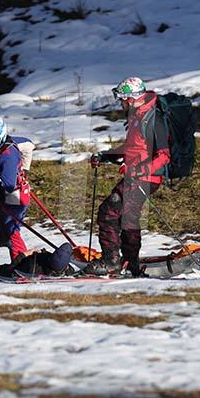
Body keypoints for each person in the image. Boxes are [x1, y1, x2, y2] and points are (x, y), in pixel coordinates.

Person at [83, 77, 170, 276]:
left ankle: (112, 261)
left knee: (108, 213)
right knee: (128, 220)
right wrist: (105, 156)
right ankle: (131, 264)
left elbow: (164, 156)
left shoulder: (152, 119)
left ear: (131, 99)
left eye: (122, 100)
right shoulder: (137, 116)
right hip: (136, 178)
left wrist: (138, 171)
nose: (120, 104)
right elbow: (132, 148)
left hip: (144, 179)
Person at [0, 116, 33, 262]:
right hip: (11, 195)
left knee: (11, 230)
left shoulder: (6, 156)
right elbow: (28, 144)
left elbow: (8, 184)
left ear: (2, 135)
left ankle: (21, 264)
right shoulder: (9, 143)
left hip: (15, 198)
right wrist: (25, 168)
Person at [0, 243, 74, 281]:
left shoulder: (33, 265)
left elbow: (12, 268)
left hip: (9, 271)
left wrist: (25, 254)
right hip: (31, 267)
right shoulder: (62, 269)